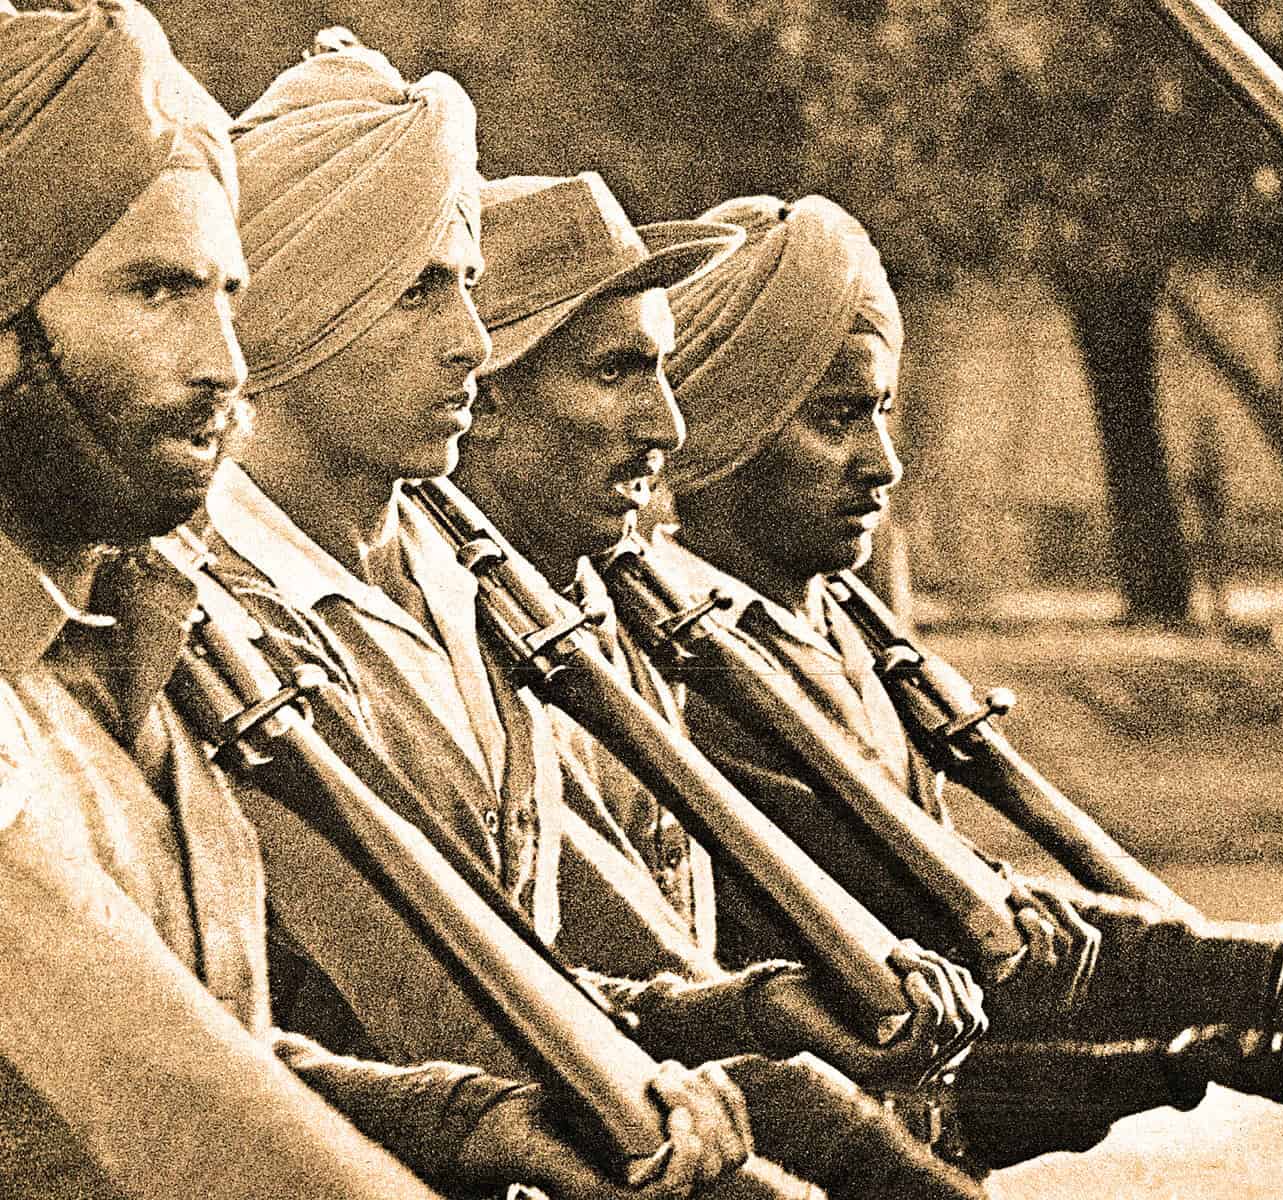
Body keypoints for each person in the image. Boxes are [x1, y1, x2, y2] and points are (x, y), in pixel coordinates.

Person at [199, 37, 985, 1200]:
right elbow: (431, 1024)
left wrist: (755, 1015)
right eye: (420, 287)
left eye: (467, 283)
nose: (472, 341)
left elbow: (545, 981)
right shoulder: (212, 621)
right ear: (297, 310)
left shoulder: (468, 589)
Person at [0, 7, 746, 1199]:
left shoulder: (134, 648)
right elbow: (169, 1110)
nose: (226, 360)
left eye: (227, 293)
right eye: (158, 291)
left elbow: (230, 1049)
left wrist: (461, 1120)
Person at [653, 192, 1283, 1156]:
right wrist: (1273, 976)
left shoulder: (845, 633)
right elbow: (936, 933)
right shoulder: (672, 667)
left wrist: (1166, 1066)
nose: (883, 464)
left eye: (883, 412)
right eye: (837, 418)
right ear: (728, 427)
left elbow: (947, 1062)